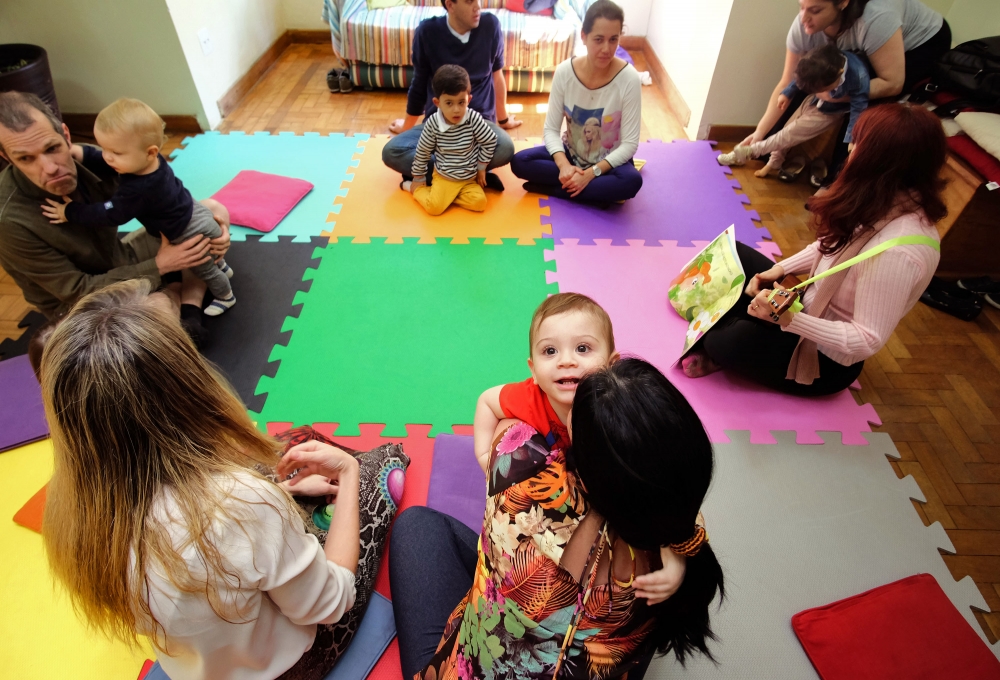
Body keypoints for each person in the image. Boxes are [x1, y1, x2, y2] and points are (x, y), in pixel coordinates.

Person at [39, 279, 374, 680]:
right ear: (190, 389)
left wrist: (278, 496)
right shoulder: (243, 501)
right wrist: (349, 474)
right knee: (377, 471)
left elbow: (187, 539)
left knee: (283, 460)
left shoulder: (75, 512)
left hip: (199, 668)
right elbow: (330, 605)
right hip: (289, 667)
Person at [390, 358, 724, 679]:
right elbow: (674, 494)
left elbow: (500, 408)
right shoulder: (678, 549)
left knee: (417, 525)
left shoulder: (519, 475)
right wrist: (676, 554)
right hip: (598, 655)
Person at [683, 103, 945, 396]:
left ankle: (728, 337)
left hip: (824, 357)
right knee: (734, 253)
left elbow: (867, 338)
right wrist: (779, 270)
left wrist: (790, 320)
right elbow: (828, 247)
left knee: (724, 342)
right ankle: (737, 323)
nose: (850, 149)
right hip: (806, 304)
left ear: (877, 162)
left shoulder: (899, 254)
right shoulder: (883, 199)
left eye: (857, 143)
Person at [0, 91, 227, 343]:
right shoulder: (8, 221)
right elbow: (78, 292)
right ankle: (175, 292)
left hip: (119, 259)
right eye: (26, 158)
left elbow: (166, 199)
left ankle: (187, 306)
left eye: (52, 148)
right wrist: (161, 266)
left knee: (213, 211)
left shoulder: (103, 158)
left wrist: (217, 233)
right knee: (157, 308)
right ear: (7, 158)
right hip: (81, 305)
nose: (50, 168)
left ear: (65, 135)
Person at [40, 98, 236, 316]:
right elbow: (107, 160)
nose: (107, 157)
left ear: (150, 152)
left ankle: (225, 296)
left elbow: (110, 213)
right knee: (210, 250)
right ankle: (222, 267)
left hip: (186, 229)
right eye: (104, 149)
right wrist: (82, 153)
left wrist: (70, 212)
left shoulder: (138, 188)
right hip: (191, 211)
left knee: (203, 268)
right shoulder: (148, 162)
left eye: (115, 153)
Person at [743, 0, 950, 180]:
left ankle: (836, 179)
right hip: (860, 39)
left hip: (924, 43)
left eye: (815, 10)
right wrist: (760, 132)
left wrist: (836, 96)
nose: (804, 18)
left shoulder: (876, 18)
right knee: (809, 81)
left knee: (859, 102)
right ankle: (765, 150)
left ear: (843, 2)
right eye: (801, 7)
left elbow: (891, 83)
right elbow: (788, 82)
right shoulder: (803, 27)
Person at [510, 0, 642, 203]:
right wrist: (563, 165)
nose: (607, 49)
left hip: (608, 163)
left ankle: (558, 191)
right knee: (520, 162)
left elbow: (630, 144)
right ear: (584, 36)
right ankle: (593, 194)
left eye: (613, 39)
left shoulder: (629, 78)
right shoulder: (565, 72)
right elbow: (551, 131)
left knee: (632, 181)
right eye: (599, 39)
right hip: (571, 155)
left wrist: (591, 173)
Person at [382, 0, 518, 190]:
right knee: (391, 152)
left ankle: (439, 174)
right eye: (470, 1)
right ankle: (468, 176)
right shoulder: (427, 32)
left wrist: (503, 120)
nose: (477, 7)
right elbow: (419, 85)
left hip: (479, 124)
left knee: (506, 147)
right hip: (438, 124)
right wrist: (406, 127)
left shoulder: (490, 25)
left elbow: (497, 76)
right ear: (450, 5)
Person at [718, 44, 869, 180]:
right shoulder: (823, 61)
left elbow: (858, 109)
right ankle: (773, 163)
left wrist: (852, 137)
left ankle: (750, 151)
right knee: (787, 130)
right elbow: (801, 77)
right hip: (814, 103)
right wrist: (787, 93)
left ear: (839, 73)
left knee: (790, 133)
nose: (819, 92)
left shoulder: (858, 78)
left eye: (823, 89)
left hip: (832, 111)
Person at [404, 65, 498, 215]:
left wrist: (481, 168)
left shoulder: (473, 118)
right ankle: (411, 187)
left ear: (469, 99)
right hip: (444, 178)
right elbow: (423, 151)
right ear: (437, 103)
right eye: (449, 103)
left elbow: (490, 140)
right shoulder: (433, 123)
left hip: (468, 179)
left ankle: (446, 197)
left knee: (480, 203)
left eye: (461, 102)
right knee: (434, 209)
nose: (456, 110)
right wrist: (418, 177)